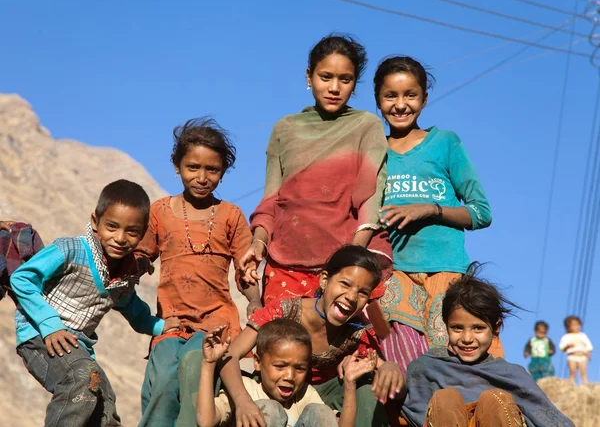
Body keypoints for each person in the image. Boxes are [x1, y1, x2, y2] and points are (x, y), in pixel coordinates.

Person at [10, 179, 179, 427]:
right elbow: (22, 278)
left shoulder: (124, 274)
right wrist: (50, 324)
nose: (120, 238)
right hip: (39, 336)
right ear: (95, 221)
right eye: (112, 226)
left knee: (106, 404)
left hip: (76, 346)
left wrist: (158, 326)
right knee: (82, 379)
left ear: (142, 235)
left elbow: (131, 307)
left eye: (131, 232)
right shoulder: (70, 249)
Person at [240, 34, 391, 306]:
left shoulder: (366, 126)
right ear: (309, 76)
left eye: (345, 79)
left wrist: (350, 260)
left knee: (340, 348)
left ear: (355, 83)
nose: (334, 87)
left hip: (341, 269)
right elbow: (271, 200)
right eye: (325, 77)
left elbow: (371, 199)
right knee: (282, 346)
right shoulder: (284, 129)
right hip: (284, 263)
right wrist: (258, 243)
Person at [372, 56, 498, 373]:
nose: (400, 105)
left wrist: (431, 210)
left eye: (410, 95)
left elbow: (481, 213)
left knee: (454, 357)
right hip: (395, 273)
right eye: (391, 96)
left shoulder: (445, 143)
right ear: (377, 99)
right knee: (398, 355)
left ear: (424, 99)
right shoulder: (373, 151)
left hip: (446, 270)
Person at [135, 117, 260, 427]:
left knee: (194, 370)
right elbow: (141, 255)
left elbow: (246, 271)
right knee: (163, 380)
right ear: (177, 166)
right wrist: (132, 267)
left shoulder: (231, 215)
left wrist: (254, 300)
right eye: (193, 167)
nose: (202, 177)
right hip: (171, 323)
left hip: (215, 322)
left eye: (212, 170)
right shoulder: (160, 211)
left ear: (222, 172)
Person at [214, 245, 403, 427]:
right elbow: (229, 356)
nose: (352, 297)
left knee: (367, 385)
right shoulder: (284, 310)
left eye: (362, 293)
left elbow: (391, 379)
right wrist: (243, 402)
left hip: (321, 403)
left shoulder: (358, 330)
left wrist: (390, 367)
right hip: (273, 393)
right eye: (345, 284)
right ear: (324, 280)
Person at [401, 264, 574, 427]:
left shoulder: (511, 376)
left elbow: (547, 417)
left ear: (496, 328)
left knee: (496, 401)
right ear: (446, 326)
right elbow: (411, 408)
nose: (467, 338)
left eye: (478, 328)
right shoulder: (428, 367)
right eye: (457, 328)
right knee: (446, 400)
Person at [197, 319, 377, 427]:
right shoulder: (246, 389)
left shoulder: (305, 395)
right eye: (280, 366)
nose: (289, 377)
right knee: (271, 410)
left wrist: (350, 384)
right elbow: (206, 421)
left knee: (320, 412)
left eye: (299, 368)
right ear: (258, 362)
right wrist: (208, 363)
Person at [559, 315, 593, 385]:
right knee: (572, 372)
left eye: (578, 324)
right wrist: (567, 346)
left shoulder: (582, 335)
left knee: (583, 373)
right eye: (574, 325)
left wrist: (588, 353)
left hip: (582, 356)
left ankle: (586, 385)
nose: (577, 327)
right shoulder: (566, 337)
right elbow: (562, 347)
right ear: (568, 327)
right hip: (572, 356)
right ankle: (571, 385)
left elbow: (589, 345)